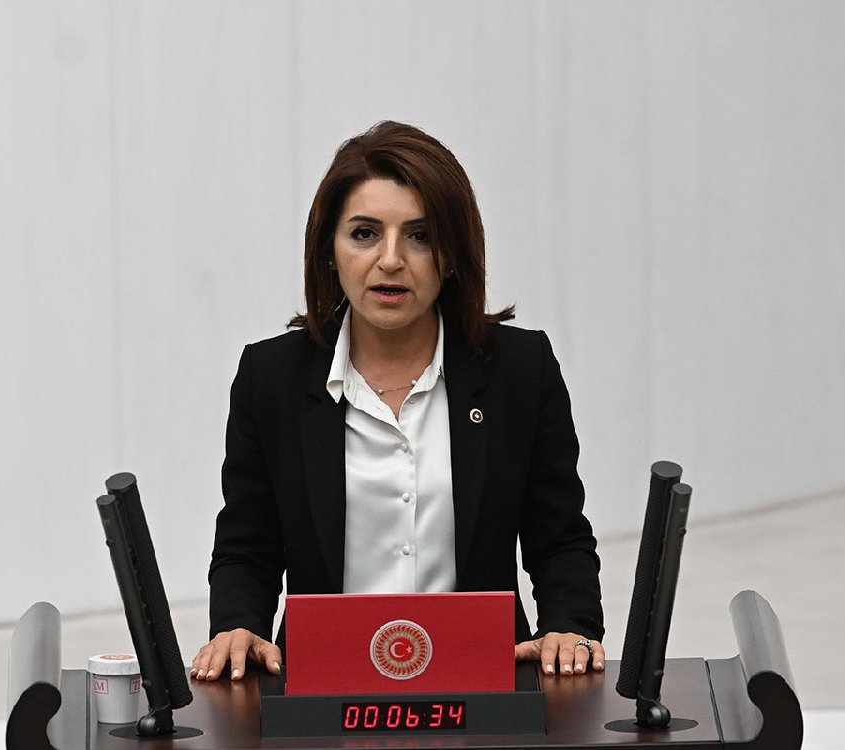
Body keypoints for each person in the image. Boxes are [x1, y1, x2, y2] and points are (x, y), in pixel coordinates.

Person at [190, 121, 603, 683]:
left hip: (484, 680)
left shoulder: (520, 370)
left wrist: (570, 628)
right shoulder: (272, 378)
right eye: (364, 233)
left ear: (452, 254)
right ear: (329, 250)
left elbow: (560, 539)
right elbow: (247, 547)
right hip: (318, 683)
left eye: (420, 236)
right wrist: (238, 627)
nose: (390, 260)